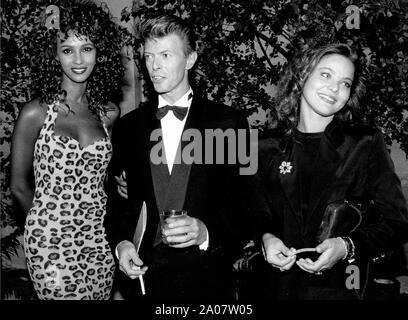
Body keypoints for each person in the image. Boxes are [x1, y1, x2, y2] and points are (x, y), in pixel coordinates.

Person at [106, 14, 250, 301]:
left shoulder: (231, 123)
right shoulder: (127, 127)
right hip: (144, 282)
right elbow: (118, 202)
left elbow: (246, 205)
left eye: (165, 55)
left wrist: (206, 231)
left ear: (190, 59)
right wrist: (121, 243)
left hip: (208, 281)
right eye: (148, 56)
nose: (154, 66)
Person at [252, 43, 408, 300]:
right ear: (302, 76)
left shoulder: (364, 144)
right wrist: (267, 238)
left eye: (346, 83)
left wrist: (346, 246)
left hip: (342, 291)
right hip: (276, 290)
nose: (335, 88)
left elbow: (397, 223)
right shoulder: (262, 148)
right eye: (326, 75)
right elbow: (257, 213)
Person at [10, 0, 126, 300]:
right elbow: (19, 186)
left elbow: (106, 176)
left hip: (99, 239)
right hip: (50, 243)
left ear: (100, 53)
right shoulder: (36, 113)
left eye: (86, 48)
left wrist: (122, 184)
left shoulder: (108, 113)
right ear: (54, 55)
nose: (78, 59)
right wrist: (42, 227)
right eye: (67, 49)